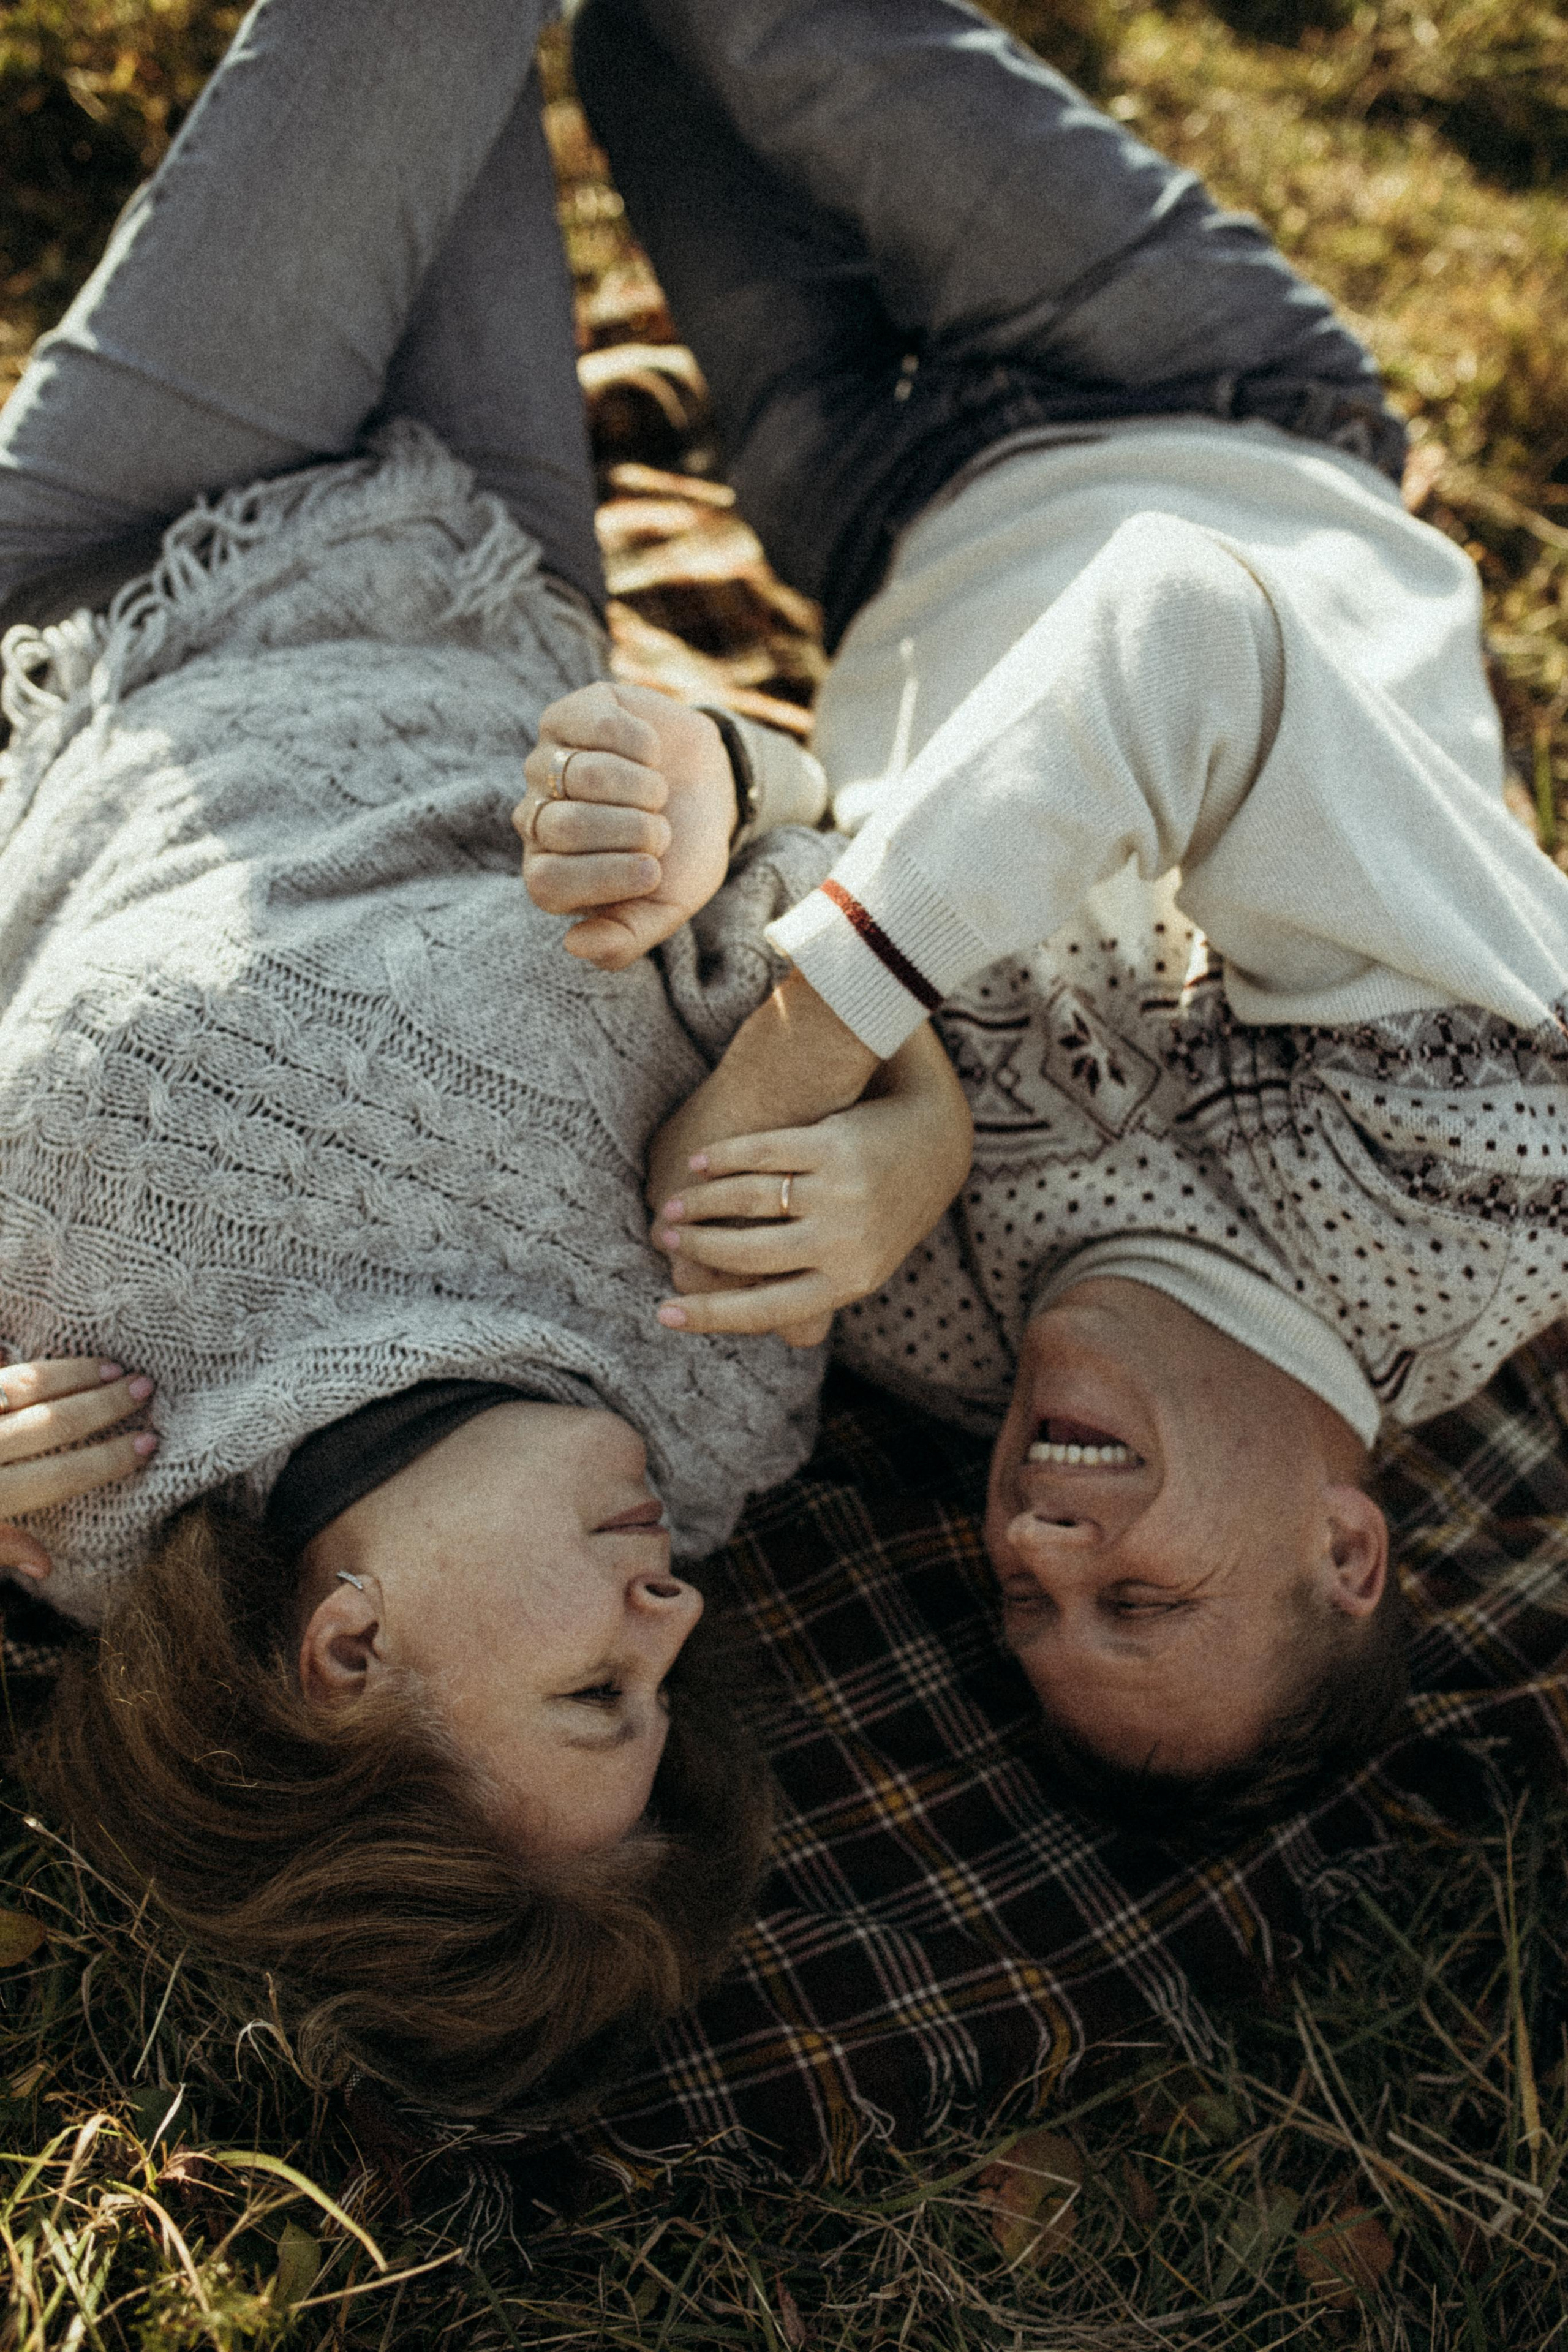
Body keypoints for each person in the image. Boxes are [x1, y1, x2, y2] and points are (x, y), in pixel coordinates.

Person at [0, 0, 971, 2115]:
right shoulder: (713, 1411)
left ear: (347, 1659)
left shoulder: (73, 1478)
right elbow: (838, 919)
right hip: (497, 576)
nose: (678, 1623)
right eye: (667, 1681)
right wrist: (910, 1122)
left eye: (595, 1688)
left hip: (118, 580)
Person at [535, 0, 1568, 1826]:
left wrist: (897, 1109)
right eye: (1138, 1593)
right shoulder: (1484, 1186)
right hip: (1198, 393)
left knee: (625, 59)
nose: (1042, 1535)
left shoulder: (920, 1336)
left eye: (1028, 1598)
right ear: (1350, 1550)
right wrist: (810, 1055)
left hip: (866, 517)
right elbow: (1184, 634)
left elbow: (771, 871)